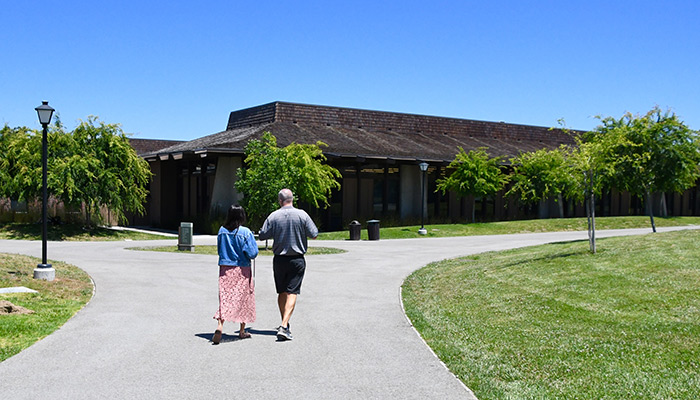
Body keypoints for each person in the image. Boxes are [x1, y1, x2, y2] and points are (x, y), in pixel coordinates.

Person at [258, 188, 318, 341]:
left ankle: (284, 323)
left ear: (280, 201)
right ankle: (284, 325)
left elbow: (262, 235)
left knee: (282, 292)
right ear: (292, 199)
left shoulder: (274, 216)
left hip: (279, 259)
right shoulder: (302, 214)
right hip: (297, 259)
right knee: (292, 292)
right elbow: (314, 234)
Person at [213, 205, 259, 344]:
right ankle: (242, 330)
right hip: (242, 269)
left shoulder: (222, 231)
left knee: (225, 298)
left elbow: (219, 250)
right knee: (244, 299)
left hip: (225, 268)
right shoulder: (245, 232)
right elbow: (252, 252)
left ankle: (220, 325)